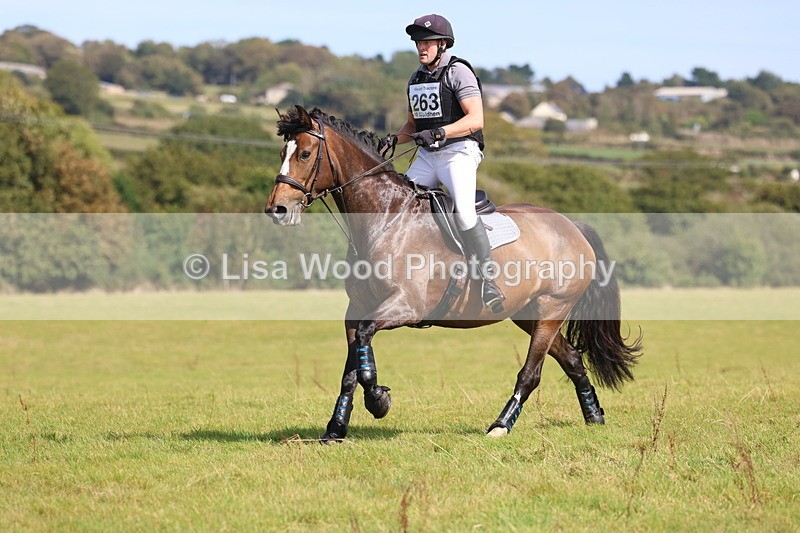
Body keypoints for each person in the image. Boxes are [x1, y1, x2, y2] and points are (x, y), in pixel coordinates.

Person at [379, 13, 505, 312]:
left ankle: (489, 281)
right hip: (427, 155)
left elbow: (476, 120)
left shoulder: (458, 72)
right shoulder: (416, 78)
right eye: (418, 42)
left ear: (443, 44)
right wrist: (395, 139)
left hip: (459, 151)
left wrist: (439, 132)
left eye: (426, 42)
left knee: (462, 210)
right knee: (402, 208)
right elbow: (412, 125)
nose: (420, 47)